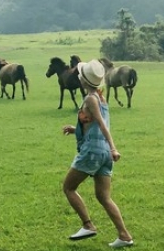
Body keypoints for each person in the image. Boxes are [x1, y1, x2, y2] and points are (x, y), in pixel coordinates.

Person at [61, 59, 134, 248]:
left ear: (83, 80)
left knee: (68, 187)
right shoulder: (101, 98)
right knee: (104, 197)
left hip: (94, 152)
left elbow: (102, 125)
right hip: (104, 155)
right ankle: (124, 236)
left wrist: (114, 148)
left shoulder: (90, 99)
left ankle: (88, 225)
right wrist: (75, 129)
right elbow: (92, 124)